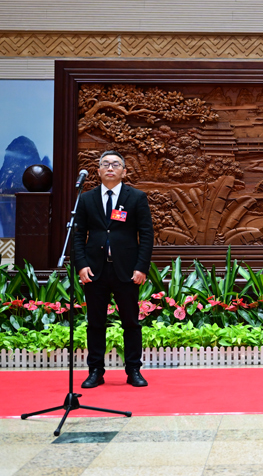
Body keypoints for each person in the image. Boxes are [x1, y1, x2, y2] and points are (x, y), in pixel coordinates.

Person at [73, 150, 154, 388]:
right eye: (105, 164)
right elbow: (78, 236)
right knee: (95, 323)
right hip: (95, 270)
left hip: (127, 271)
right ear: (98, 171)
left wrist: (141, 267)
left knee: (131, 322)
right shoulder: (86, 199)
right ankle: (95, 371)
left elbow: (146, 235)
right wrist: (81, 265)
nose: (110, 168)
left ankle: (133, 370)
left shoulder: (136, 197)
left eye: (115, 164)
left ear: (124, 171)